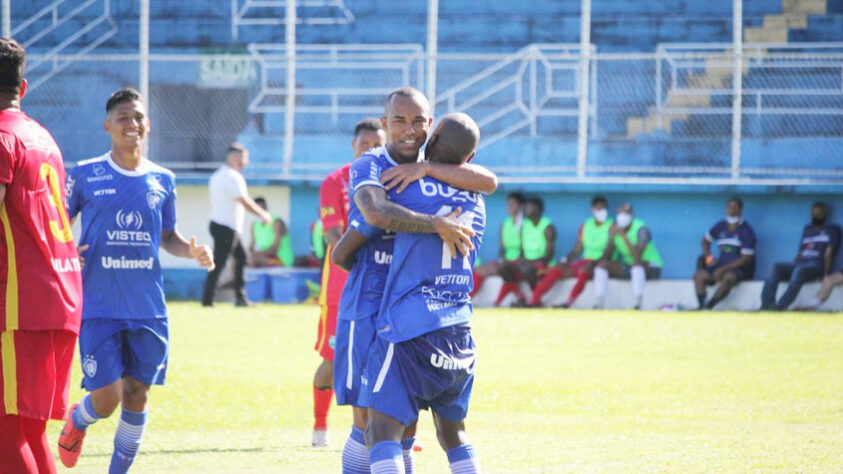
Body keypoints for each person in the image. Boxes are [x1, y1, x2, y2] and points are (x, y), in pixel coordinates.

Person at [330, 103, 496, 474]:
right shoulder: (478, 203)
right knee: (449, 433)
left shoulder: (407, 184)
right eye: (400, 121)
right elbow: (489, 181)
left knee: (376, 428)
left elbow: (369, 219)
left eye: (418, 122)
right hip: (456, 325)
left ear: (431, 133)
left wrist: (422, 174)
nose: (409, 130)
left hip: (406, 321)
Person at [58, 88, 214, 473]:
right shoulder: (85, 173)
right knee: (107, 398)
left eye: (139, 117)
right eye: (124, 117)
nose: (133, 124)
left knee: (137, 394)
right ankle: (78, 420)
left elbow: (168, 237)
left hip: (148, 307)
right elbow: (58, 225)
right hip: (99, 304)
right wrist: (62, 250)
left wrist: (191, 252)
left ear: (149, 125)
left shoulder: (163, 179)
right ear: (107, 125)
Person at [0, 37, 83, 474]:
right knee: (29, 432)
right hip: (58, 298)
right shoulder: (43, 137)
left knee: (7, 434)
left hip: (19, 306)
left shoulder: (1, 137)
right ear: (24, 87)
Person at [311, 117, 386, 447]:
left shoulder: (393, 179)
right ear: (353, 147)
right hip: (340, 288)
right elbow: (333, 236)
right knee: (331, 364)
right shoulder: (335, 181)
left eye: (376, 145)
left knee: (383, 361)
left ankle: (383, 433)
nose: (370, 150)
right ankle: (319, 426)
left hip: (382, 287)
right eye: (364, 144)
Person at [202, 143, 271, 307]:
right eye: (244, 158)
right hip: (226, 227)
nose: (246, 162)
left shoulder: (218, 175)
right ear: (235, 158)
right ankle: (207, 300)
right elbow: (244, 200)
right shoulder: (232, 176)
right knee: (219, 263)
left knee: (242, 258)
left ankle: (240, 298)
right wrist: (262, 214)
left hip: (221, 225)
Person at [528, 196, 612, 308]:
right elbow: (577, 249)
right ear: (593, 210)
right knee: (556, 270)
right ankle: (534, 300)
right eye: (599, 208)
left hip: (598, 264)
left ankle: (568, 303)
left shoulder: (612, 226)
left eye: (604, 209)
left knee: (583, 272)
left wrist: (593, 264)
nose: (602, 212)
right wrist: (565, 260)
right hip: (585, 261)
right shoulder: (586, 225)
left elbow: (608, 252)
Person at [759, 202, 839, 310]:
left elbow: (829, 253)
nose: (815, 215)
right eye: (813, 212)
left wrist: (825, 273)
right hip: (801, 264)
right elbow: (801, 251)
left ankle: (780, 306)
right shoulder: (807, 229)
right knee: (776, 267)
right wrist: (794, 263)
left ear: (826, 214)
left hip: (816, 266)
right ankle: (766, 304)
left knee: (799, 270)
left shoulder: (833, 230)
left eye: (819, 213)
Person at [593, 203, 663, 309]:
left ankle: (639, 303)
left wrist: (623, 236)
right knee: (602, 265)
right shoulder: (615, 229)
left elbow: (637, 256)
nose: (622, 216)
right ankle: (599, 303)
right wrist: (611, 238)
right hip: (630, 267)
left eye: (625, 213)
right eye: (619, 213)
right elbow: (606, 256)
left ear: (632, 215)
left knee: (637, 265)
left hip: (651, 267)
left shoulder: (642, 229)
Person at [693, 196, 756, 310]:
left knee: (729, 278)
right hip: (720, 265)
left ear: (740, 210)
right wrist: (709, 258)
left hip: (738, 269)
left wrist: (723, 269)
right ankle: (701, 306)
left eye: (735, 207)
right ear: (726, 208)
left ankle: (710, 306)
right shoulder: (720, 226)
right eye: (729, 207)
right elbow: (705, 241)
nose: (732, 210)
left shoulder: (746, 231)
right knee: (699, 276)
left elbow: (746, 259)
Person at [497, 196, 556, 306]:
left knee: (527, 269)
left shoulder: (548, 227)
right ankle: (521, 298)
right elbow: (523, 251)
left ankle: (535, 298)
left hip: (543, 264)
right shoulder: (525, 226)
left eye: (528, 208)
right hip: (528, 263)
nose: (525, 210)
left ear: (537, 209)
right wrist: (521, 260)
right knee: (503, 267)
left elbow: (550, 255)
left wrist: (530, 262)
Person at [470, 192, 524, 295]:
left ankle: (517, 296)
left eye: (513, 204)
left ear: (520, 206)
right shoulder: (505, 224)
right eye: (508, 204)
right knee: (480, 270)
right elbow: (502, 248)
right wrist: (502, 260)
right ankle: (468, 298)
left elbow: (524, 249)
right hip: (507, 261)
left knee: (497, 270)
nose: (509, 207)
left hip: (518, 262)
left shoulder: (525, 224)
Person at [248, 197, 294, 267]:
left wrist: (256, 254)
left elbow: (274, 250)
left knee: (254, 259)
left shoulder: (276, 223)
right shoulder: (255, 224)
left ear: (265, 208)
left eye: (261, 209)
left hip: (281, 261)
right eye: (256, 210)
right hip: (265, 258)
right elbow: (251, 246)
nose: (259, 212)